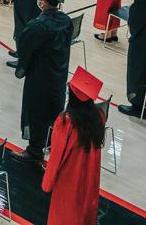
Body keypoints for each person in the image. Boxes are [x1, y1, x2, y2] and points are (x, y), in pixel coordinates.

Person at [13, 0, 71, 162]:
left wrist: (23, 67)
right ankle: (51, 143)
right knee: (53, 110)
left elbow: (24, 47)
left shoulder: (38, 26)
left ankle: (35, 151)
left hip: (39, 77)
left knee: (35, 112)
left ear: (43, 2)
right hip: (59, 75)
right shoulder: (66, 22)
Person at [41, 67, 106, 225]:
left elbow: (56, 157)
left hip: (69, 179)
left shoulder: (66, 121)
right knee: (84, 215)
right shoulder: (99, 117)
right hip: (90, 176)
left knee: (65, 216)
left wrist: (47, 183)